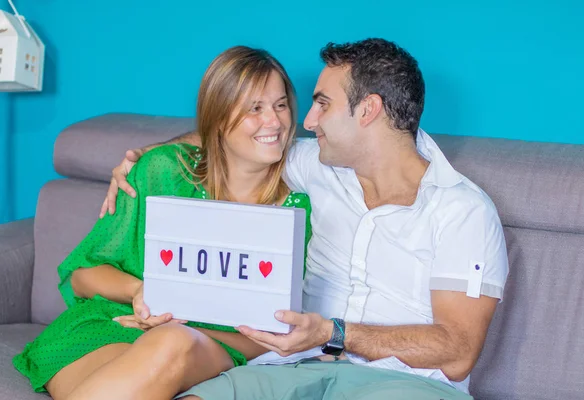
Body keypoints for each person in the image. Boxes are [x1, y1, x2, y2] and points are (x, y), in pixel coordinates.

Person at [102, 38, 509, 400]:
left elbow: (457, 350)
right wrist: (144, 155)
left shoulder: (463, 211)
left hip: (406, 384)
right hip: (291, 368)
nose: (307, 121)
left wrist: (334, 333)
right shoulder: (315, 164)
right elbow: (230, 133)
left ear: (368, 110)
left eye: (323, 104)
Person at [12, 46, 313, 400]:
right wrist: (141, 294)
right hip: (114, 323)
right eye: (255, 108)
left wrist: (175, 327)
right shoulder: (164, 171)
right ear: (217, 117)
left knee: (171, 341)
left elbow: (274, 338)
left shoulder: (304, 204)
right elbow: (81, 275)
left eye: (280, 105)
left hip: (210, 344)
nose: (275, 121)